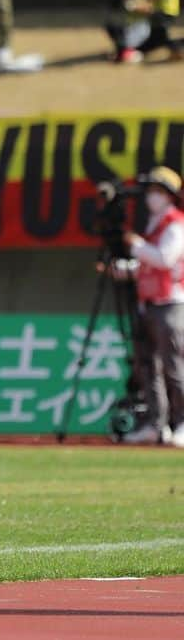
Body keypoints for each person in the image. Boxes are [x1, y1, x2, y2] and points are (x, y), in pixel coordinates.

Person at [123, 167, 184, 448]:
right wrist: (124, 268)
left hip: (170, 303)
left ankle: (181, 423)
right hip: (147, 303)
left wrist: (135, 246)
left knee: (174, 365)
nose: (152, 197)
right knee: (147, 365)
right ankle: (155, 424)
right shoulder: (153, 224)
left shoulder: (175, 223)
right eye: (150, 191)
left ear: (170, 195)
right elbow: (148, 266)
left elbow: (165, 259)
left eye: (158, 191)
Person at [106, 0, 180, 64]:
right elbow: (114, 5)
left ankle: (131, 50)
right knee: (113, 23)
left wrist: (149, 11)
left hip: (155, 28)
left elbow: (169, 18)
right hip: (133, 25)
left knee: (160, 30)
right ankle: (126, 49)